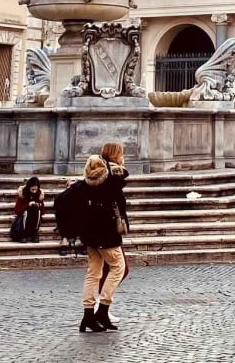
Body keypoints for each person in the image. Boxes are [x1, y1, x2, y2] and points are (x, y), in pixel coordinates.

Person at [78, 142, 130, 334]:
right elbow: (119, 198)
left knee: (93, 273)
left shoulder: (91, 175)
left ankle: (88, 315)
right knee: (118, 267)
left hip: (89, 231)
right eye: (121, 154)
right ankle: (102, 310)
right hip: (106, 231)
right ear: (116, 155)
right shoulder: (112, 176)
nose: (123, 157)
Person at [11, 176, 44, 243]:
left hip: (33, 220)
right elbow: (17, 210)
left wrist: (39, 205)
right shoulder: (23, 194)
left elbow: (43, 211)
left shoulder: (39, 194)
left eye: (36, 189)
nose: (34, 191)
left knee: (38, 211)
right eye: (32, 189)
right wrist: (28, 205)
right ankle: (23, 234)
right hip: (23, 220)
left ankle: (35, 233)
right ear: (29, 187)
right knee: (26, 212)